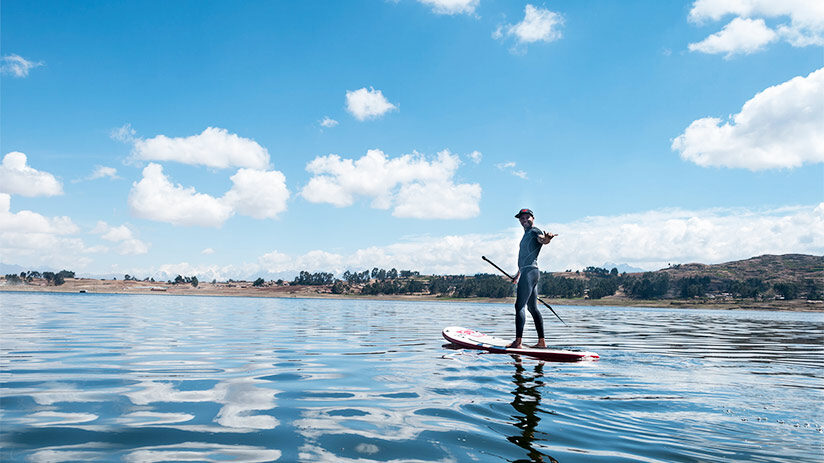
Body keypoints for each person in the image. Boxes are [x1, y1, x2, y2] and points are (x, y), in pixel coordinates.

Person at [509, 208, 556, 349]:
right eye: (522, 219)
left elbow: (543, 240)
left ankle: (518, 343)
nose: (524, 220)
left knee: (519, 306)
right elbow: (523, 257)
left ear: (533, 218)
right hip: (529, 272)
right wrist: (518, 275)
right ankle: (541, 342)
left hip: (530, 272)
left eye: (527, 217)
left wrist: (548, 238)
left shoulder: (535, 231)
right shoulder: (525, 235)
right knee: (532, 308)